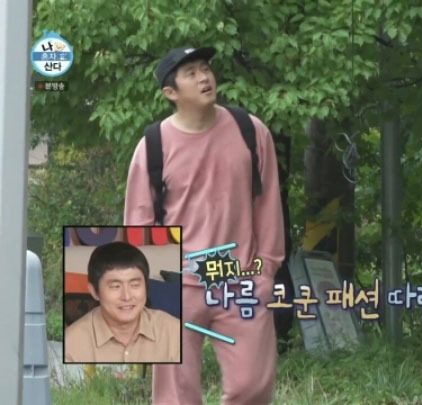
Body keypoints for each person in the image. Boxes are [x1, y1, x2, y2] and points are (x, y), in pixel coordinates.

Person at [123, 46, 285, 405]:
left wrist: (266, 271)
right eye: (192, 73)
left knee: (252, 387)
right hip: (176, 283)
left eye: (206, 68)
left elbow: (268, 204)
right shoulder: (153, 145)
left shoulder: (249, 130)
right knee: (175, 397)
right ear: (171, 92)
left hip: (241, 279)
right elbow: (139, 224)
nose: (204, 78)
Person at [64, 241, 181, 363]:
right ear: (94, 291)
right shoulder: (71, 344)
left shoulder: (175, 332)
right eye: (115, 286)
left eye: (135, 285)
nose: (127, 296)